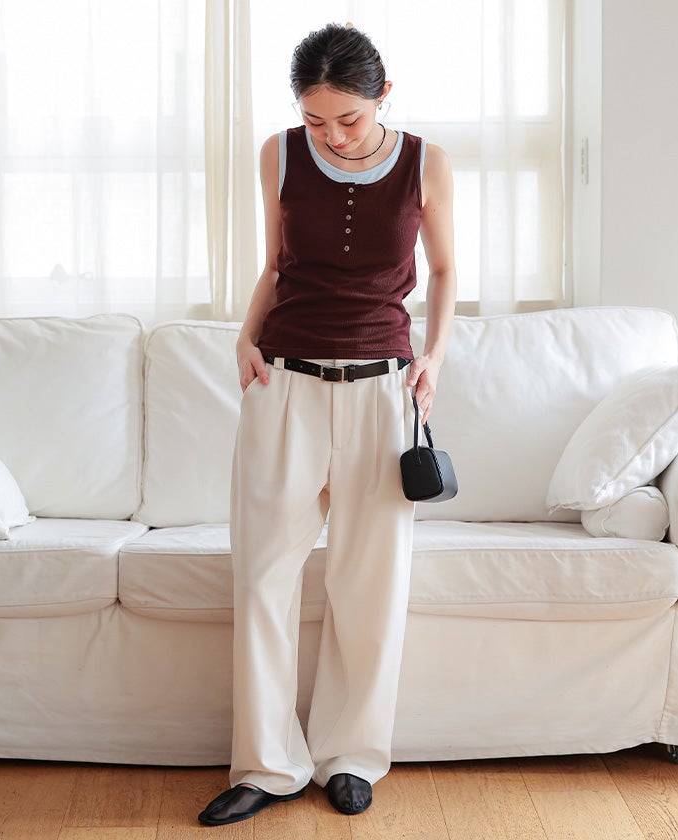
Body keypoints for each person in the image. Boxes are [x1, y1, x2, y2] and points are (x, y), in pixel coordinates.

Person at [198, 21, 456, 827]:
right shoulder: (278, 155)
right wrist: (244, 337)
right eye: (315, 119)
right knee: (261, 579)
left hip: (382, 390)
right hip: (285, 384)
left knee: (368, 585)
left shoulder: (425, 162)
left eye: (348, 118)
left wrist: (435, 357)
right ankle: (267, 766)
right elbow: (275, 266)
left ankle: (350, 757)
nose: (333, 135)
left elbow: (445, 269)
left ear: (384, 97)